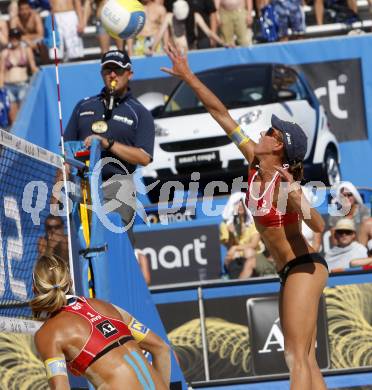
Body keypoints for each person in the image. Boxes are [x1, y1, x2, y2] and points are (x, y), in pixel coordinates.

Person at [161, 44, 328, 389]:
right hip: (291, 270)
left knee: (295, 357)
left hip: (305, 266)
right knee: (306, 358)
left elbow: (319, 225)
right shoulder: (253, 161)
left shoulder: (285, 185)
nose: (264, 131)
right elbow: (220, 113)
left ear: (278, 146)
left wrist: (297, 199)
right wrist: (189, 77)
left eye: (271, 132)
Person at [31, 254, 170, 389]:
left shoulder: (48, 334)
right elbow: (161, 348)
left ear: (34, 289)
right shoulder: (107, 307)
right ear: (70, 282)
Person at [64, 50, 155, 245]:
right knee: (77, 244)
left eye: (118, 70)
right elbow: (65, 149)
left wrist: (108, 144)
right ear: (101, 74)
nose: (112, 75)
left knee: (113, 243)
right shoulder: (83, 106)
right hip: (80, 184)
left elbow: (144, 157)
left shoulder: (139, 113)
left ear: (129, 73)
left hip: (117, 183)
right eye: (108, 70)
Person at [150, 0, 227, 54]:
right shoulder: (169, 17)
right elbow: (160, 34)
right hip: (178, 53)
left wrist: (223, 43)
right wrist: (152, 49)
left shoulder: (196, 16)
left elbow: (209, 32)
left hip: (192, 51)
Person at [220, 192, 265, 279]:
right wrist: (230, 233)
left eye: (242, 202)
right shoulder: (225, 225)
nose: (240, 205)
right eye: (237, 203)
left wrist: (235, 248)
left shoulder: (254, 222)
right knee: (230, 256)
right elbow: (229, 247)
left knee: (248, 252)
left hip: (255, 254)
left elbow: (254, 244)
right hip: (237, 255)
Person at [0, 28, 38, 125]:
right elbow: (1, 72)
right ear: (9, 38)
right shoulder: (4, 53)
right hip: (8, 87)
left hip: (23, 86)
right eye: (12, 37)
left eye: (17, 37)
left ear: (20, 38)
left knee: (25, 116)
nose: (14, 39)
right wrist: (1, 89)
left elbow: (33, 67)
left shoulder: (26, 50)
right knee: (13, 119)